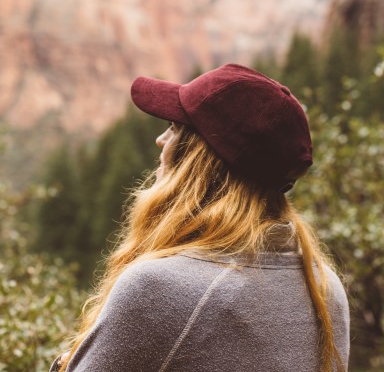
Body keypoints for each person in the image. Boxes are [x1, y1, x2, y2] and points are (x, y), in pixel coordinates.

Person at [50, 64, 349, 372]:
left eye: (175, 127)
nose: (161, 139)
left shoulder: (156, 289)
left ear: (199, 159)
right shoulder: (325, 289)